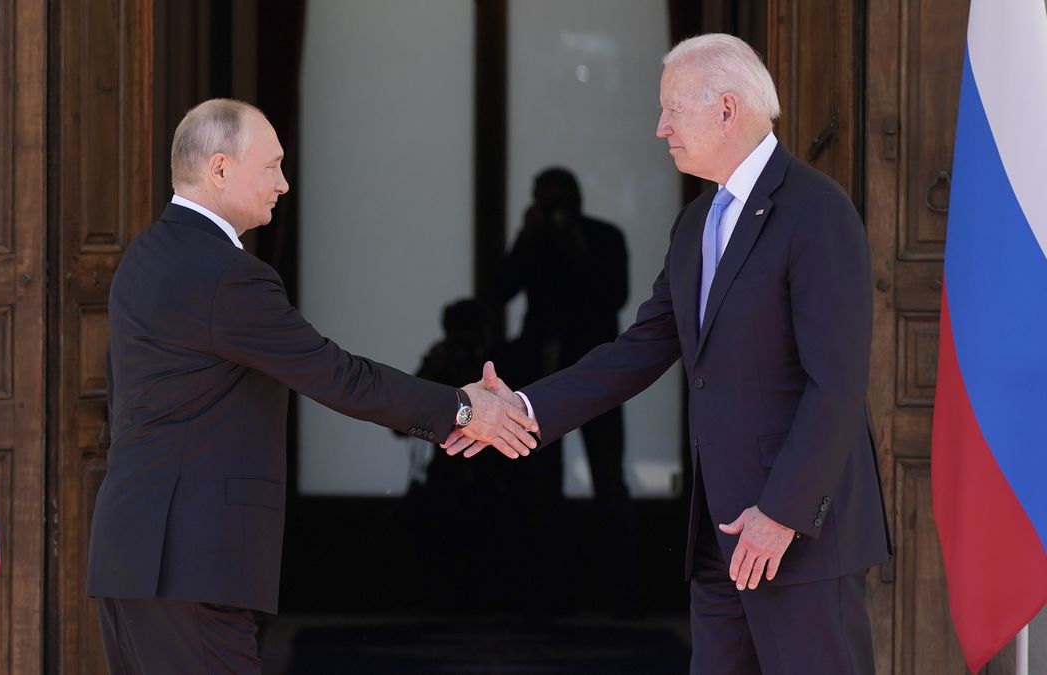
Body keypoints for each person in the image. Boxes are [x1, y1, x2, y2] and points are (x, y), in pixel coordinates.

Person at [447, 34, 890, 674]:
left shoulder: (816, 210)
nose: (660, 129)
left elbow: (837, 385)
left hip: (794, 535)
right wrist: (522, 407)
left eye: (672, 110)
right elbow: (640, 349)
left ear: (728, 109)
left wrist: (782, 514)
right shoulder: (696, 224)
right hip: (717, 537)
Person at [86, 99, 538, 675]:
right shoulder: (228, 275)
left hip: (133, 553)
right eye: (270, 166)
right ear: (220, 168)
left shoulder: (146, 254)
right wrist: (463, 409)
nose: (283, 182)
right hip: (189, 563)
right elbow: (337, 376)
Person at [495, 167, 636, 611]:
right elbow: (499, 289)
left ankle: (620, 592)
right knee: (539, 484)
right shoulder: (534, 240)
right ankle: (544, 594)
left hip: (598, 372)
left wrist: (575, 244)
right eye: (546, 202)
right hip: (543, 374)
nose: (554, 212)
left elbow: (615, 295)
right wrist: (525, 237)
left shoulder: (603, 236)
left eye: (559, 202)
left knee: (608, 477)